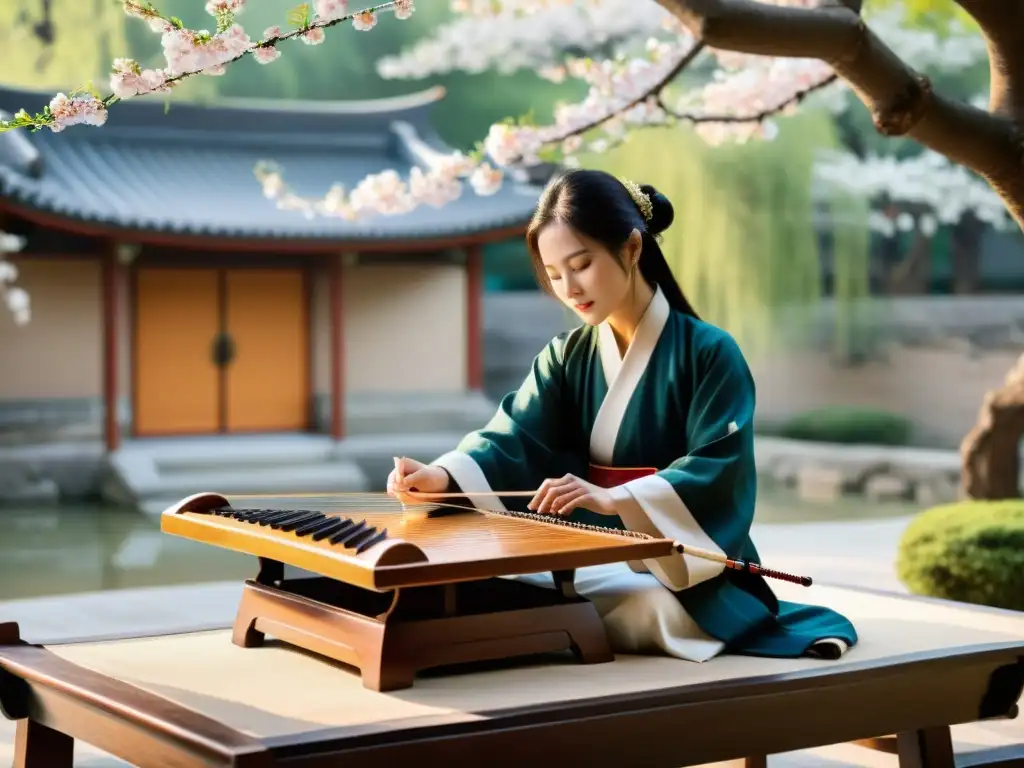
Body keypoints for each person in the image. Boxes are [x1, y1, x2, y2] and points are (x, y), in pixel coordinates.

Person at [387, 168, 857, 662]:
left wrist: (617, 498)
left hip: (675, 570)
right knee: (506, 584)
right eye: (554, 274)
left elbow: (719, 469)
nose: (569, 287)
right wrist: (442, 476)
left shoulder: (710, 353)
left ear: (632, 248)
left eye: (582, 263)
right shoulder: (565, 356)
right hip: (583, 558)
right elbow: (515, 437)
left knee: (647, 607)